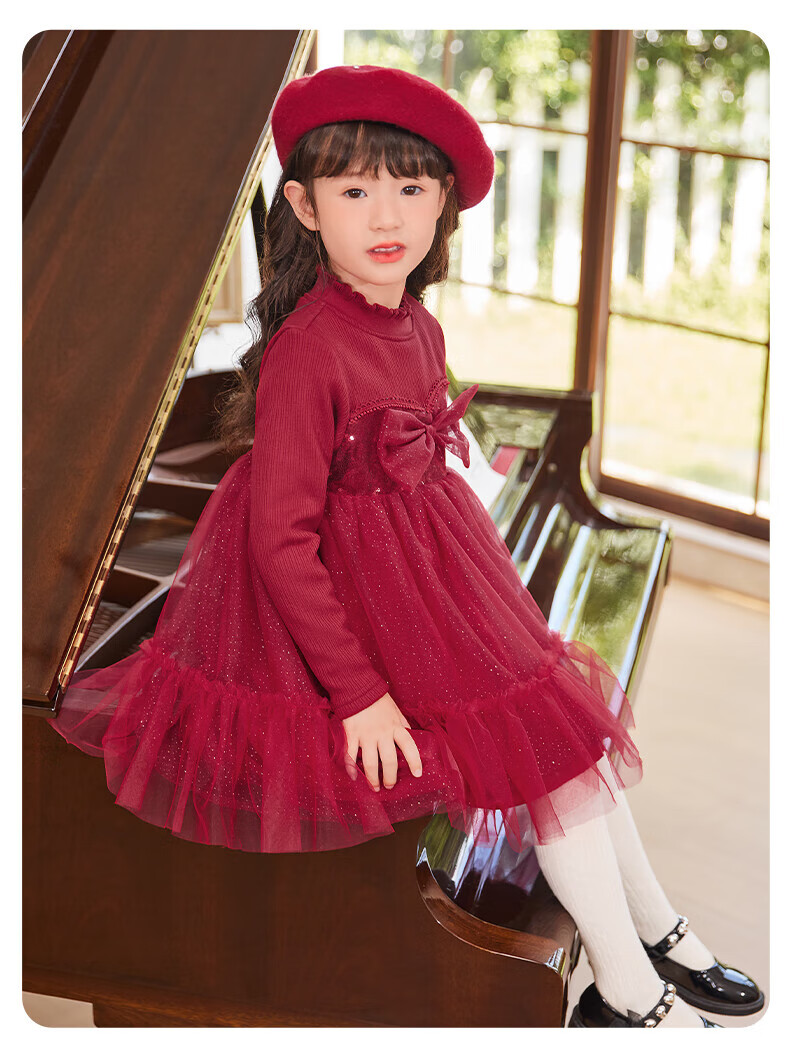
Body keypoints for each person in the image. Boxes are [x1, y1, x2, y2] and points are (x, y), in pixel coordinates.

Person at [48, 63, 764, 1029]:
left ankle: (655, 931)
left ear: (443, 206)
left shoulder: (416, 322)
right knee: (547, 747)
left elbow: (424, 466)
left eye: (411, 188)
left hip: (423, 570)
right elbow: (280, 543)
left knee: (564, 727)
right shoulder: (309, 349)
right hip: (353, 607)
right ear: (304, 207)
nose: (386, 215)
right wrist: (361, 693)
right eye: (354, 192)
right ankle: (627, 991)